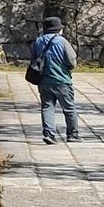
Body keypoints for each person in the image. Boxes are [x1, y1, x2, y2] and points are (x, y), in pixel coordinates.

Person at [30, 16, 82, 144]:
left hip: (44, 81)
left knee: (47, 107)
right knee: (69, 108)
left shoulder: (37, 42)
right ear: (59, 30)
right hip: (62, 80)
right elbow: (71, 61)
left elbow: (33, 61)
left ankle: (49, 134)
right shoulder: (62, 41)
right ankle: (72, 134)